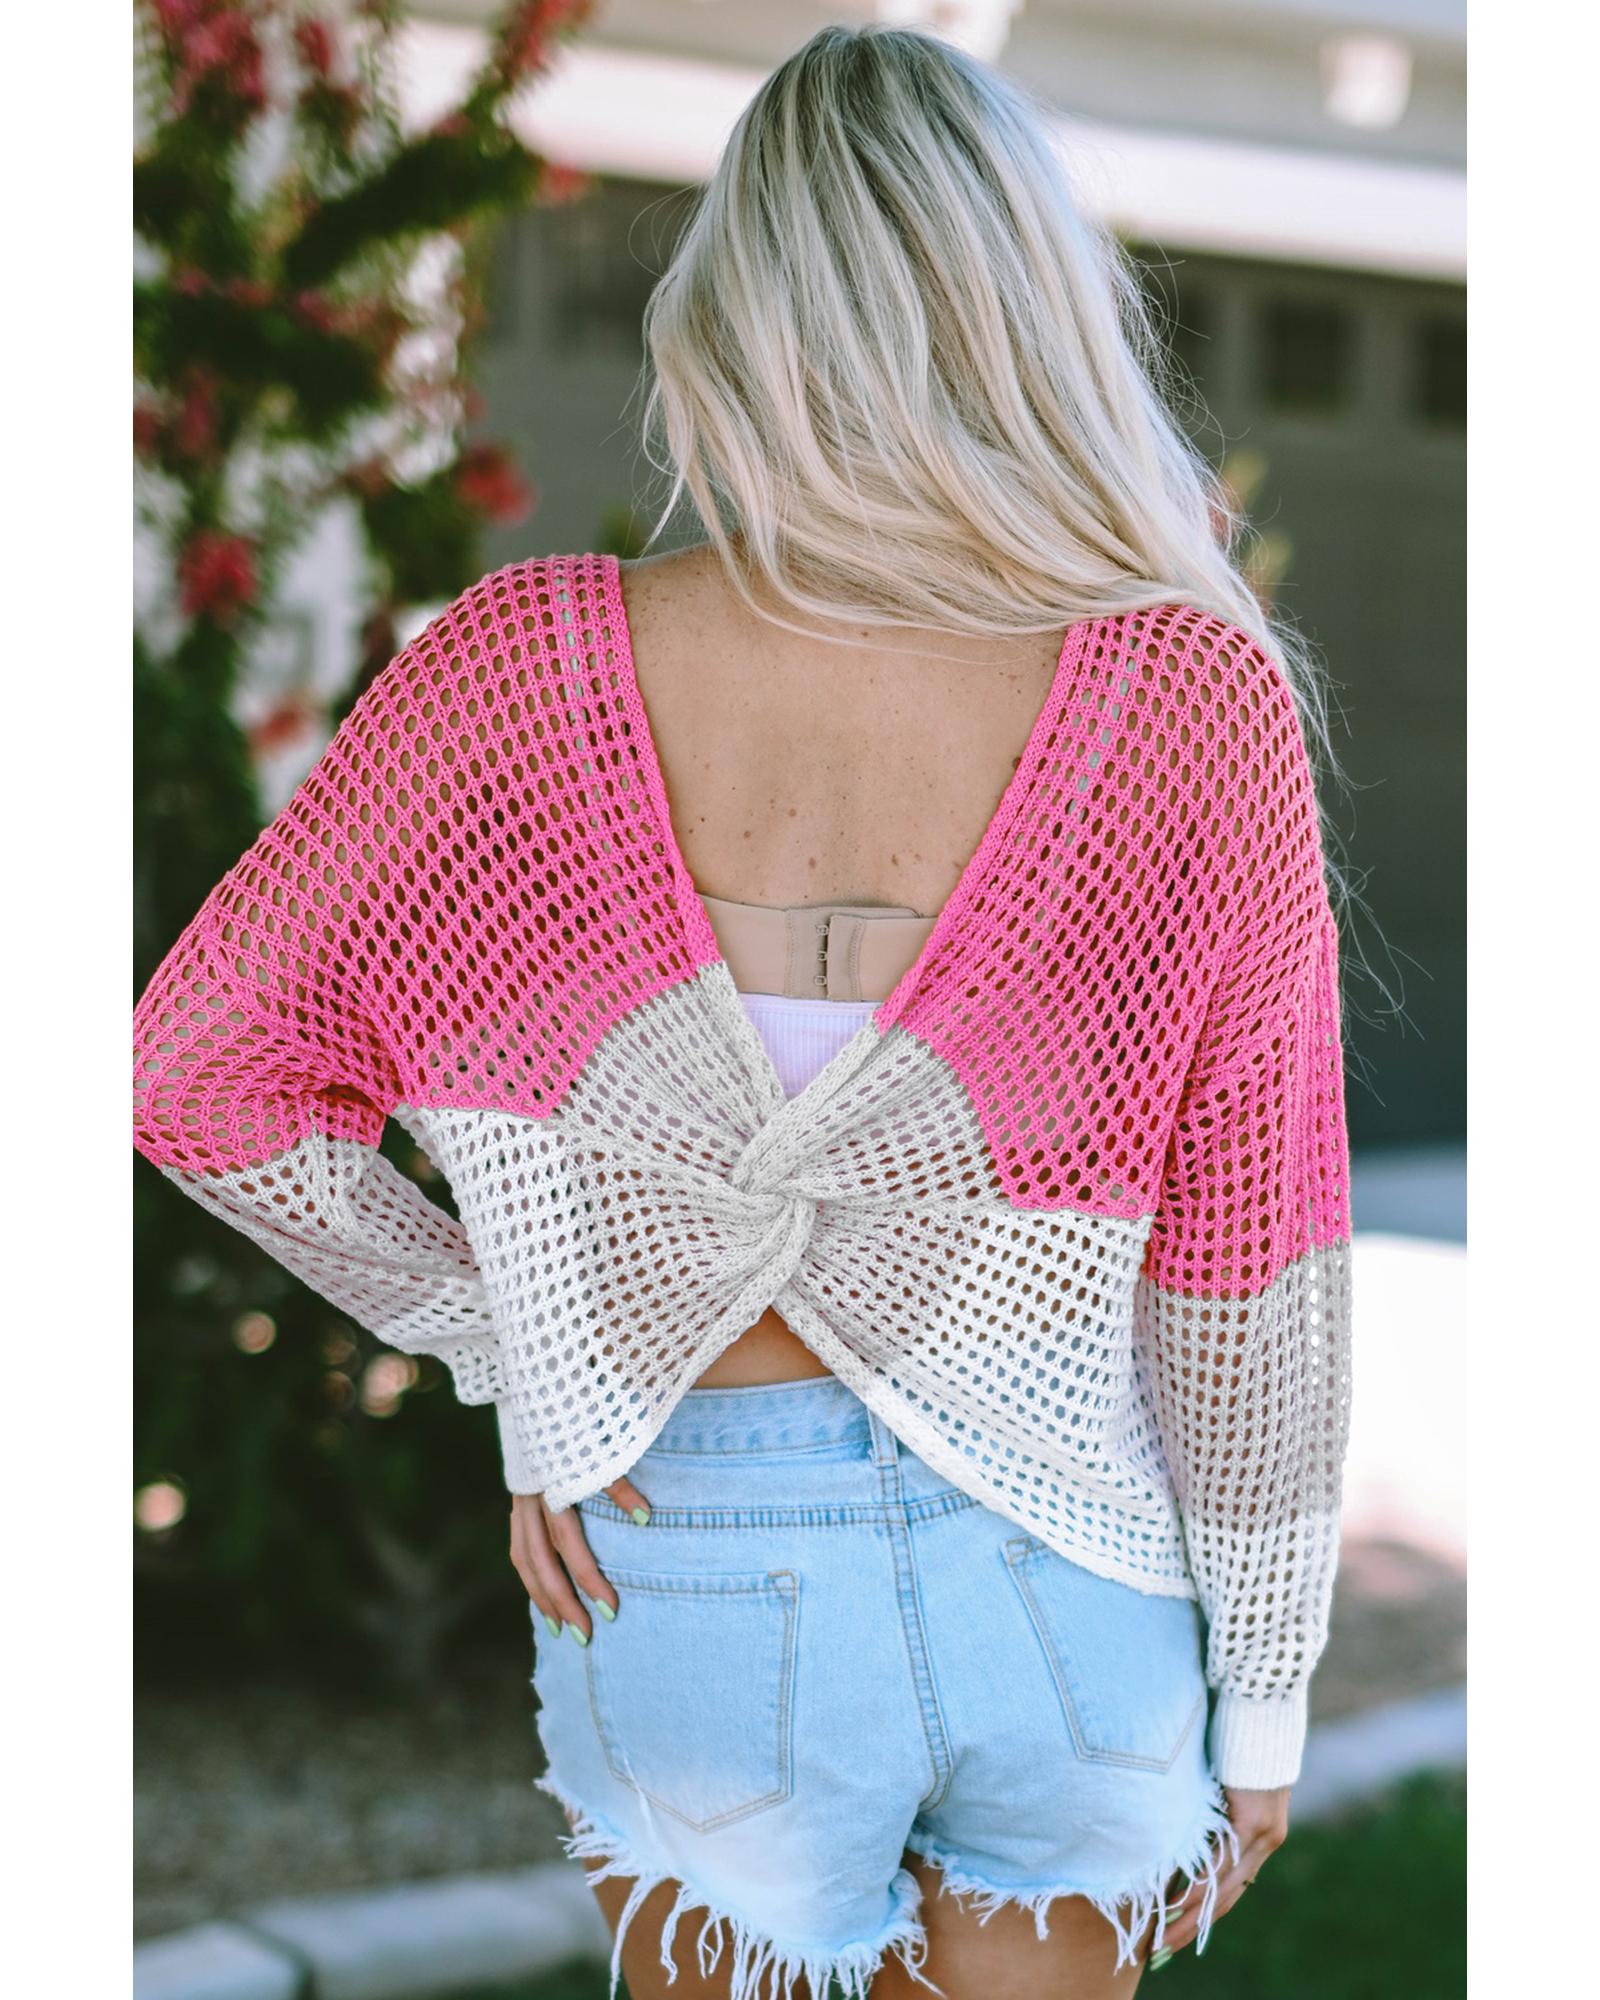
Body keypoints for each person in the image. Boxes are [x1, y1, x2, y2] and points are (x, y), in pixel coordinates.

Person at [132, 23, 1355, 2000]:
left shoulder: (525, 667)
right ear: (1033, 318)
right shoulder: (1186, 696)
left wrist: (519, 1345)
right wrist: (1271, 1687)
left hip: (688, 1549)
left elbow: (196, 1078)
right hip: (1072, 1575)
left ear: (729, 317)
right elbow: (1253, 1255)